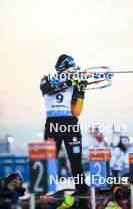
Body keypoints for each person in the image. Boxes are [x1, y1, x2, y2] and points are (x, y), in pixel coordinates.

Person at [40, 54, 88, 195]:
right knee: (48, 160)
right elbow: (48, 89)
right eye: (70, 68)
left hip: (70, 124)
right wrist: (70, 82)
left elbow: (76, 111)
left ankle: (81, 189)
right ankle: (41, 190)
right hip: (53, 124)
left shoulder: (75, 84)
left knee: (76, 162)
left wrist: (81, 91)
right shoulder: (47, 79)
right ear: (62, 68)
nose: (73, 70)